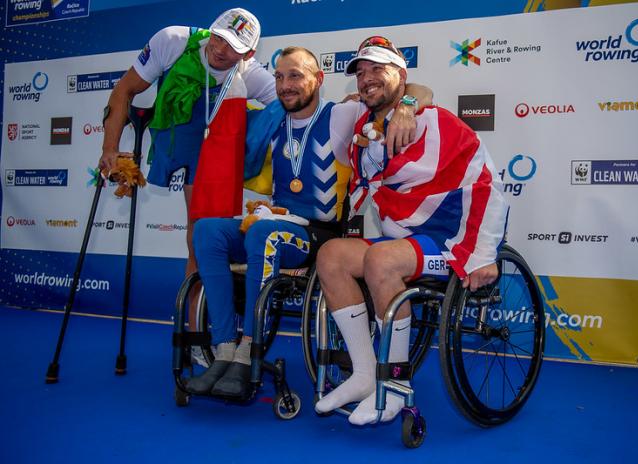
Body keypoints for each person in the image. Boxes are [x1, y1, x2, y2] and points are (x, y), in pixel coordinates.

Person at [185, 46, 432, 397]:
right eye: (280, 77)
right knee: (208, 230)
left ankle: (247, 354)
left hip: (320, 234)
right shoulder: (269, 119)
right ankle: (224, 349)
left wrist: (407, 108)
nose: (286, 85)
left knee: (263, 235)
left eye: (296, 75)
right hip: (275, 223)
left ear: (318, 79)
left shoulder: (343, 115)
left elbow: (418, 92)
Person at [313, 36, 508, 425]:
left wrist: (485, 254)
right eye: (361, 72)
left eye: (377, 70)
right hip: (404, 237)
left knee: (381, 260)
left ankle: (397, 385)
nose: (366, 79)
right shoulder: (362, 125)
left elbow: (485, 183)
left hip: (450, 239)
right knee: (331, 255)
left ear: (400, 75)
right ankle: (366, 374)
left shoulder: (435, 121)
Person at [98, 8, 275, 336]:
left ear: (249, 53)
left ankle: (196, 331)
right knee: (200, 236)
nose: (220, 49)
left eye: (233, 46)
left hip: (209, 153)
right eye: (218, 37)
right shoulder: (173, 41)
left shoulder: (249, 74)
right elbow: (124, 90)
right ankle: (195, 331)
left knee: (200, 237)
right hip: (172, 137)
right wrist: (109, 149)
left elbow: (294, 104)